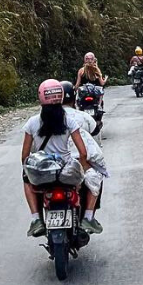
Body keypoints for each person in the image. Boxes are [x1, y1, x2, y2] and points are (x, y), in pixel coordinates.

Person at [21, 79, 97, 237]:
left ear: (41, 97)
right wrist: (84, 167)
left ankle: (36, 219)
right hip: (66, 171)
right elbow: (82, 152)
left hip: (42, 173)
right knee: (94, 178)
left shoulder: (32, 123)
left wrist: (30, 171)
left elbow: (25, 156)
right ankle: (88, 218)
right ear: (61, 96)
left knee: (26, 179)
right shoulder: (69, 121)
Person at [61, 82, 107, 233]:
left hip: (53, 165)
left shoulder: (42, 119)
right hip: (79, 162)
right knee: (97, 177)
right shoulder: (82, 117)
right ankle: (88, 216)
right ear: (74, 99)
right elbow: (94, 141)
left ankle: (38, 219)